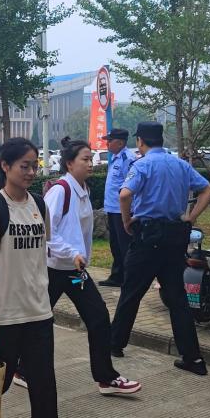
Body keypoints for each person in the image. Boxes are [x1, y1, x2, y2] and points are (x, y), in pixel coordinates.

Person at [0, 138, 78, 418]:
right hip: (4, 314)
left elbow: (40, 252)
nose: (32, 172)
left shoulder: (38, 204)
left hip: (38, 312)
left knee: (44, 384)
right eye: (25, 165)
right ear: (5, 166)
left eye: (35, 165)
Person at [109, 122, 210, 374]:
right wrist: (191, 217)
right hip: (176, 237)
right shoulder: (180, 165)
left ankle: (114, 345)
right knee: (177, 298)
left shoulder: (142, 165)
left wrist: (126, 221)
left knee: (131, 292)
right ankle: (193, 358)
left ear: (140, 141)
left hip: (148, 237)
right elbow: (208, 189)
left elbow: (124, 195)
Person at [45, 137, 141, 396]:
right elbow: (47, 231)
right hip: (53, 270)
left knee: (98, 318)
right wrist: (72, 253)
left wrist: (79, 256)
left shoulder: (83, 190)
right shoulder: (60, 191)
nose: (91, 164)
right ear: (69, 163)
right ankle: (20, 368)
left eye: (91, 159)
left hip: (75, 273)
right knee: (37, 323)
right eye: (85, 159)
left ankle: (106, 378)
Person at [99, 128, 133, 287]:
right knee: (115, 245)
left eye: (110, 141)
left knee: (125, 245)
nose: (107, 143)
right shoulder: (115, 158)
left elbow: (130, 185)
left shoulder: (127, 158)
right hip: (112, 209)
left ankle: (128, 278)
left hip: (122, 210)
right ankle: (117, 276)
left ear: (120, 143)